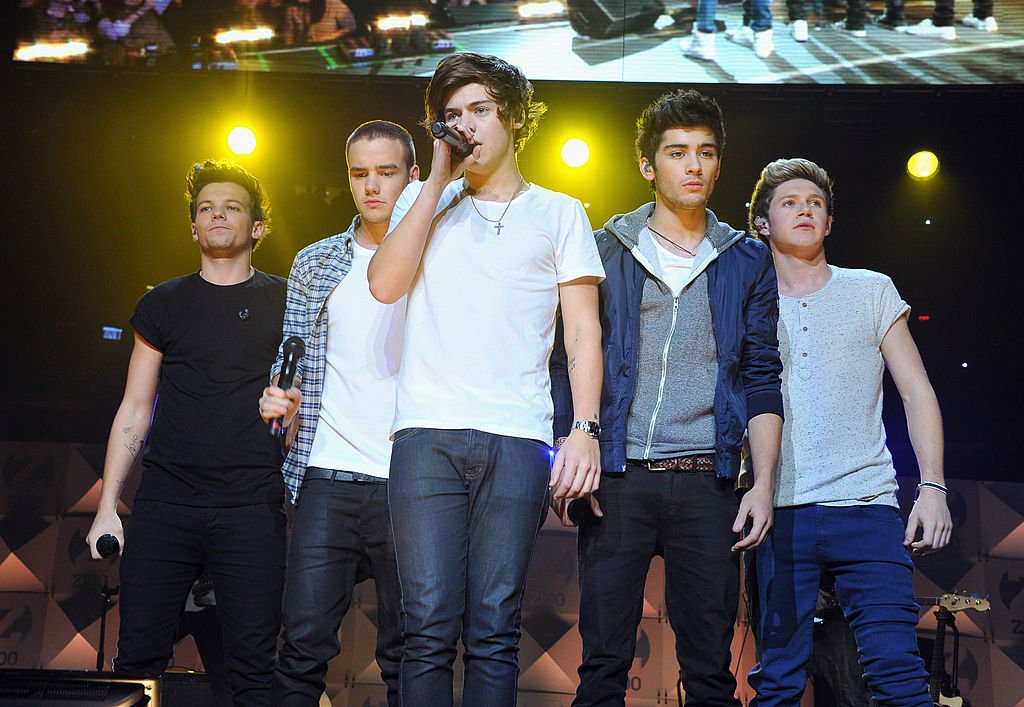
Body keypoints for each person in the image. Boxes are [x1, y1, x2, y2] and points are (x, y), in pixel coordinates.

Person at [366, 51, 605, 707]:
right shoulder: (422, 198)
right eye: (450, 115)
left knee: (495, 625)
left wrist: (583, 428)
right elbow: (384, 285)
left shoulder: (560, 212)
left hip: (517, 436)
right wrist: (437, 181)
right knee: (428, 626)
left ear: (515, 117)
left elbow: (584, 332)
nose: (465, 125)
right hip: (426, 436)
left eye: (479, 110)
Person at [554, 88, 784, 707]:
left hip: (710, 482)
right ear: (647, 166)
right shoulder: (604, 248)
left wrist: (761, 484)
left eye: (706, 153)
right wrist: (571, 450)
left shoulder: (747, 259)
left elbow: (763, 374)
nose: (694, 166)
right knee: (602, 664)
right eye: (677, 152)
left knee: (710, 671)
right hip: (620, 478)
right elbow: (566, 359)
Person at [746, 158, 952, 706]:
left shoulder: (871, 289)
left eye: (815, 203)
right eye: (788, 202)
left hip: (867, 508)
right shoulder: (747, 303)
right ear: (761, 223)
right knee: (778, 683)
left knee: (898, 674)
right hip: (779, 512)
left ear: (830, 223)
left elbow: (917, 392)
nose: (805, 209)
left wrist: (932, 487)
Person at [85, 159, 287, 707]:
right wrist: (108, 507)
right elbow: (134, 407)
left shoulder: (286, 303)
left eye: (232, 207)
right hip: (167, 502)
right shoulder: (162, 303)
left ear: (258, 227)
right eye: (206, 208)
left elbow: (306, 401)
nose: (217, 215)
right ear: (194, 228)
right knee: (137, 664)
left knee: (251, 671)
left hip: (251, 503)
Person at [258, 120, 420, 707]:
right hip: (326, 474)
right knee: (302, 647)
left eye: (387, 172)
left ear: (414, 176)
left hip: (414, 482)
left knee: (411, 654)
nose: (373, 185)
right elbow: (291, 356)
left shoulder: (441, 256)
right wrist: (279, 398)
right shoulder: (317, 261)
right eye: (360, 174)